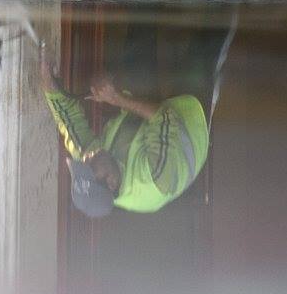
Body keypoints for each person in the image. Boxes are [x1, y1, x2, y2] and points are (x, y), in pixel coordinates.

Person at [38, 26, 228, 217]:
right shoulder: (153, 181)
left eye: (83, 165)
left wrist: (48, 81)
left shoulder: (94, 162)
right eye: (90, 165)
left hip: (144, 125)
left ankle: (148, 0)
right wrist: (116, 99)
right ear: (111, 181)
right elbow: (166, 116)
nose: (87, 157)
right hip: (186, 121)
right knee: (203, 49)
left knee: (138, 39)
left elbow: (69, 120)